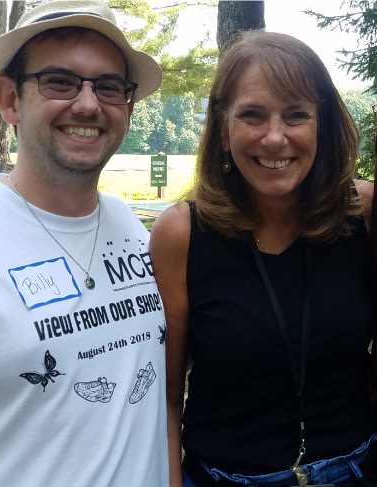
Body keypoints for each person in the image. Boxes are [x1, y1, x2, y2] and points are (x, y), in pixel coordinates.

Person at [150, 31, 377, 487]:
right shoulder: (181, 234)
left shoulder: (364, 214)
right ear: (222, 126)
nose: (275, 138)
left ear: (322, 124)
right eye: (252, 115)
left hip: (357, 471)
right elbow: (167, 399)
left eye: (296, 115)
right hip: (225, 479)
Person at [0, 1, 169, 486]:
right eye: (60, 81)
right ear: (9, 99)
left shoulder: (132, 227)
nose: (89, 105)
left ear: (128, 109)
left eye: (109, 87)